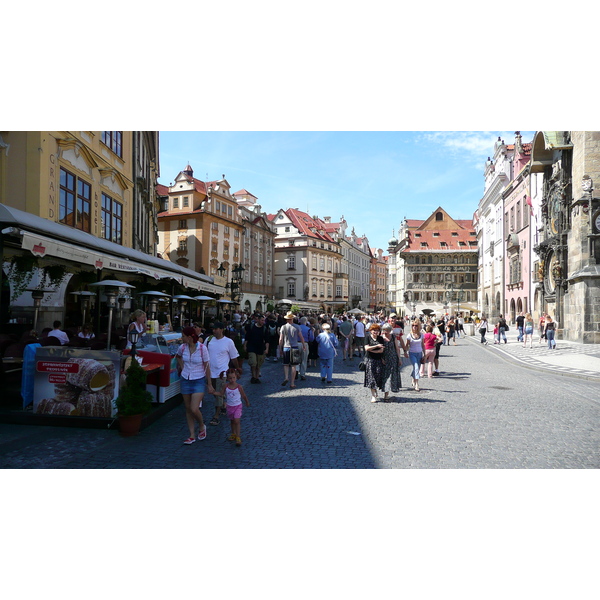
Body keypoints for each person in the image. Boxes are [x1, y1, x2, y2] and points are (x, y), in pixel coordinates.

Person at [176, 326, 214, 445]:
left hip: (198, 379)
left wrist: (209, 384)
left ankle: (202, 425)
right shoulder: (182, 348)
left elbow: (207, 366)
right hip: (186, 379)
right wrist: (182, 368)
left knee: (194, 408)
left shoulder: (202, 349)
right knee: (188, 409)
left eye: (183, 336)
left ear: (189, 337)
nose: (181, 338)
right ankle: (192, 434)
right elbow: (177, 357)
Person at [204, 322, 241, 427]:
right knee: (214, 393)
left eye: (216, 329)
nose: (214, 331)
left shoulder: (228, 342)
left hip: (222, 373)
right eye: (213, 329)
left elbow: (234, 357)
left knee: (219, 394)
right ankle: (224, 405)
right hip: (210, 372)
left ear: (221, 329)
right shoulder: (209, 340)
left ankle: (216, 416)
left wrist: (237, 369)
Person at [220, 367, 250, 447]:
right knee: (232, 420)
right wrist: (213, 392)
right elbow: (221, 394)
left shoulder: (239, 387)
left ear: (236, 377)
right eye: (230, 378)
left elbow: (243, 395)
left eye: (233, 378)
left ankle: (238, 436)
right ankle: (233, 433)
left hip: (237, 406)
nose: (232, 380)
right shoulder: (226, 386)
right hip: (230, 406)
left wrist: (247, 402)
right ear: (227, 378)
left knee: (237, 420)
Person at [278, 312, 305, 389]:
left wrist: (280, 348)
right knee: (294, 366)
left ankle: (286, 377)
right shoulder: (297, 327)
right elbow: (301, 337)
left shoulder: (283, 327)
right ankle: (292, 383)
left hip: (286, 347)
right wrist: (303, 345)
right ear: (292, 318)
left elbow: (280, 339)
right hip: (295, 347)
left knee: (286, 364)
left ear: (286, 319)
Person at [381, 322, 405, 400]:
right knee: (385, 376)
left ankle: (386, 394)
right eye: (384, 330)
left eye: (387, 330)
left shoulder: (393, 337)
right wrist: (381, 358)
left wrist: (399, 359)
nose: (386, 332)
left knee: (392, 376)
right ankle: (385, 394)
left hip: (393, 358)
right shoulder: (381, 338)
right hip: (384, 359)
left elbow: (397, 349)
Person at [363, 323, 385, 403]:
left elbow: (381, 350)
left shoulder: (380, 338)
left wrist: (371, 350)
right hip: (370, 360)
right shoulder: (367, 337)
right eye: (374, 330)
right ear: (370, 331)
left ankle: (375, 390)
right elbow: (366, 348)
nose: (375, 332)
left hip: (378, 360)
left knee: (378, 377)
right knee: (371, 377)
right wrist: (376, 347)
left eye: (377, 330)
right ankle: (373, 396)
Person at [244, 314, 269, 384]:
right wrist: (245, 346)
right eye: (262, 320)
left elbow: (267, 340)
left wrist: (267, 349)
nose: (263, 322)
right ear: (258, 320)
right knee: (253, 363)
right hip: (251, 347)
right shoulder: (251, 327)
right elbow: (247, 337)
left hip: (260, 348)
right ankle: (253, 376)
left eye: (264, 321)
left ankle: (256, 377)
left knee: (258, 365)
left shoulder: (264, 329)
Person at [406, 320, 426, 391]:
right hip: (412, 353)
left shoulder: (421, 335)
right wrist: (405, 352)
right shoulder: (409, 335)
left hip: (419, 353)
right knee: (416, 367)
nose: (414, 327)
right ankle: (417, 384)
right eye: (413, 325)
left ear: (419, 326)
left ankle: (413, 378)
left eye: (416, 325)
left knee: (416, 368)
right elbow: (407, 345)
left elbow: (423, 345)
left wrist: (425, 354)